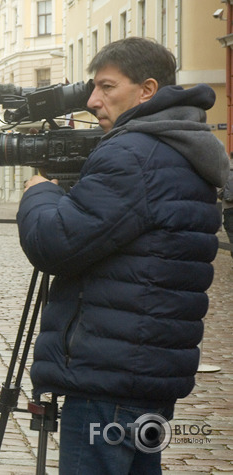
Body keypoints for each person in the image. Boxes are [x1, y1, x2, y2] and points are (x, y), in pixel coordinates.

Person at [17, 37, 229, 474]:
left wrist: (39, 195)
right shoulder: (179, 146)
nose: (94, 100)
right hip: (145, 375)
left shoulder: (134, 154)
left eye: (107, 87)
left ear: (146, 90)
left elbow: (55, 244)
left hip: (107, 381)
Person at [221, 157, 233, 258]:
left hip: (228, 207)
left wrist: (224, 198)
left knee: (231, 234)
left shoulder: (225, 171)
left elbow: (219, 190)